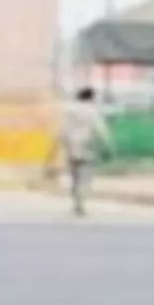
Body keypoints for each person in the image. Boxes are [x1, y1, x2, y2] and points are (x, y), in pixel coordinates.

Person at [56, 86, 113, 217]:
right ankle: (81, 202)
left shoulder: (69, 110)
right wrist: (108, 146)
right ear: (91, 98)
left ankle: (76, 201)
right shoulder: (92, 111)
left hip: (71, 146)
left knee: (75, 176)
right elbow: (100, 129)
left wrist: (58, 146)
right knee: (85, 176)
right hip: (87, 146)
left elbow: (63, 130)